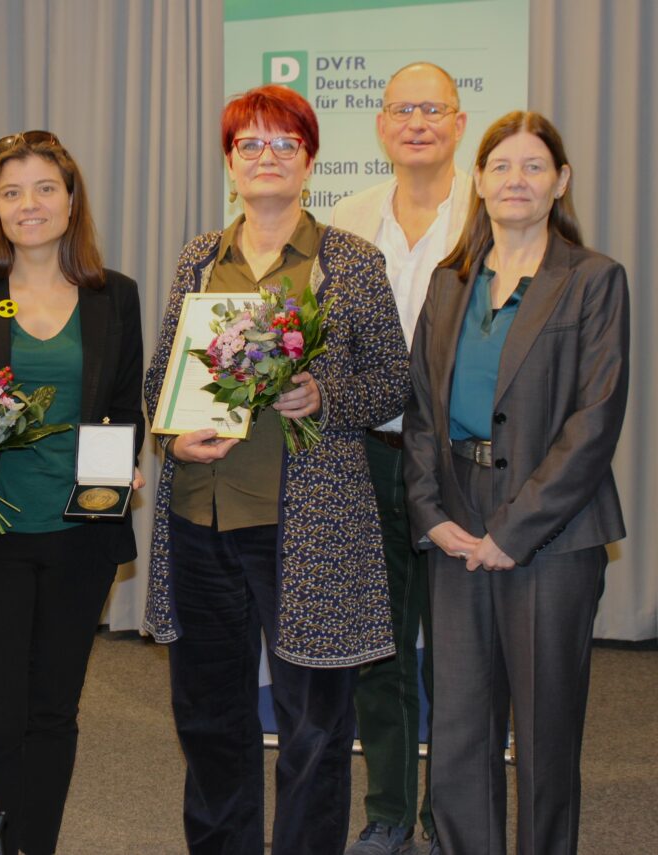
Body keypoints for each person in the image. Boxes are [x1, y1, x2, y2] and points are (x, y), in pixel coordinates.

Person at [143, 85, 410, 855]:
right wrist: (171, 435)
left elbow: (393, 379)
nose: (266, 158)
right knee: (209, 719)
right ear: (230, 162)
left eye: (283, 144)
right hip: (202, 519)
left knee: (314, 727)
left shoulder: (350, 262)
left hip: (308, 528)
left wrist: (324, 390)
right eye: (249, 144)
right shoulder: (201, 258)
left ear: (309, 159)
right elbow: (162, 379)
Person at [403, 112, 629, 855]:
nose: (516, 181)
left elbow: (595, 421)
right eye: (501, 166)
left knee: (543, 727)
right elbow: (422, 409)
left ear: (560, 182)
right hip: (455, 519)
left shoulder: (593, 279)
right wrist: (430, 512)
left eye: (534, 167)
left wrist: (514, 531)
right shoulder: (448, 281)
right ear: (478, 179)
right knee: (461, 726)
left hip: (553, 535)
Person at [0, 130, 144, 855]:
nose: (30, 204)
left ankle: (37, 845)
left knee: (55, 707)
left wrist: (127, 466)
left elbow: (122, 407)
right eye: (12, 192)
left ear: (72, 199)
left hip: (81, 530)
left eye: (45, 188)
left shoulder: (115, 296)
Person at [330, 61, 470, 855]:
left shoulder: (490, 212)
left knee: (458, 650)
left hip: (459, 467)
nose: (417, 122)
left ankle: (450, 812)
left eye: (433, 109)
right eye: (402, 110)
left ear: (457, 123)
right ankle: (388, 809)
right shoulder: (348, 218)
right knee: (377, 643)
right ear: (381, 126)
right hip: (369, 454)